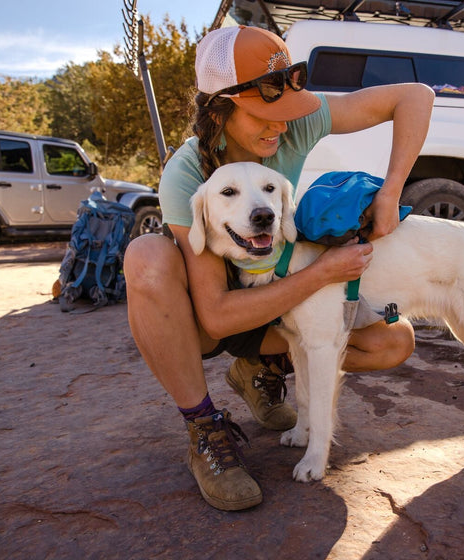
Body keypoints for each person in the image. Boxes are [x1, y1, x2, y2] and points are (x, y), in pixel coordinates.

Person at [124, 25, 434, 511]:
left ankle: (260, 365)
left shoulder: (295, 124)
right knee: (146, 258)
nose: (279, 127)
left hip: (278, 297)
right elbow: (217, 317)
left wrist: (392, 192)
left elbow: (415, 96)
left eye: (287, 112)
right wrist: (323, 273)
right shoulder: (187, 173)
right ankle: (205, 429)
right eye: (263, 114)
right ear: (218, 109)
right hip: (214, 315)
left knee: (394, 340)